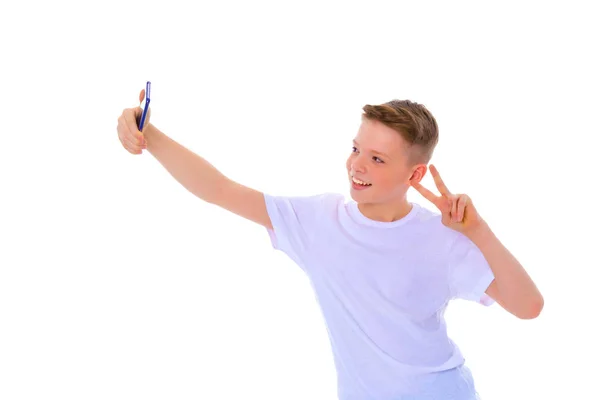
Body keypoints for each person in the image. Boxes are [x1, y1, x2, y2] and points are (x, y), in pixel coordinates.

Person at [116, 88, 544, 399]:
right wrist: (148, 136)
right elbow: (219, 189)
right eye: (357, 148)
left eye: (377, 159)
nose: (357, 165)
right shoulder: (319, 221)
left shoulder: (442, 239)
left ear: (415, 175)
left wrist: (477, 230)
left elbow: (529, 307)